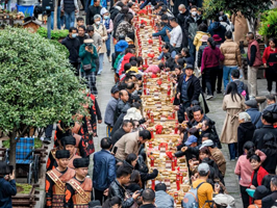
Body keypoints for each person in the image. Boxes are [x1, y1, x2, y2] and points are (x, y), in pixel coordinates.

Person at [234, 141, 267, 208]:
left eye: (254, 162)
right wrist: (259, 151)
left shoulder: (241, 158)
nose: (253, 164)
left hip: (244, 183)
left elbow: (236, 171)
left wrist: (242, 174)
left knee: (246, 203)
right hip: (253, 185)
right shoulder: (257, 158)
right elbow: (264, 156)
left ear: (245, 150)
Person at [220, 82, 246, 160]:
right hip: (239, 118)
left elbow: (224, 108)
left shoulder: (226, 97)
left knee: (230, 137)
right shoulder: (241, 97)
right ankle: (238, 154)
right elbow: (244, 107)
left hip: (229, 118)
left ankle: (232, 155)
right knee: (238, 136)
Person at [93, 137, 116, 204]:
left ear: (100, 145)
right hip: (106, 185)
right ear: (111, 146)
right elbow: (111, 174)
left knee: (98, 201)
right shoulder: (111, 158)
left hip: (97, 183)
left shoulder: (96, 155)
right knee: (107, 203)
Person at [246, 32, 263, 98]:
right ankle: (254, 93)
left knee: (252, 80)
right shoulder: (252, 43)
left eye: (247, 37)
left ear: (249, 38)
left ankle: (253, 94)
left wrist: (250, 63)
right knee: (251, 80)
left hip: (253, 64)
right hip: (253, 64)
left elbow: (253, 55)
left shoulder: (253, 45)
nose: (246, 38)